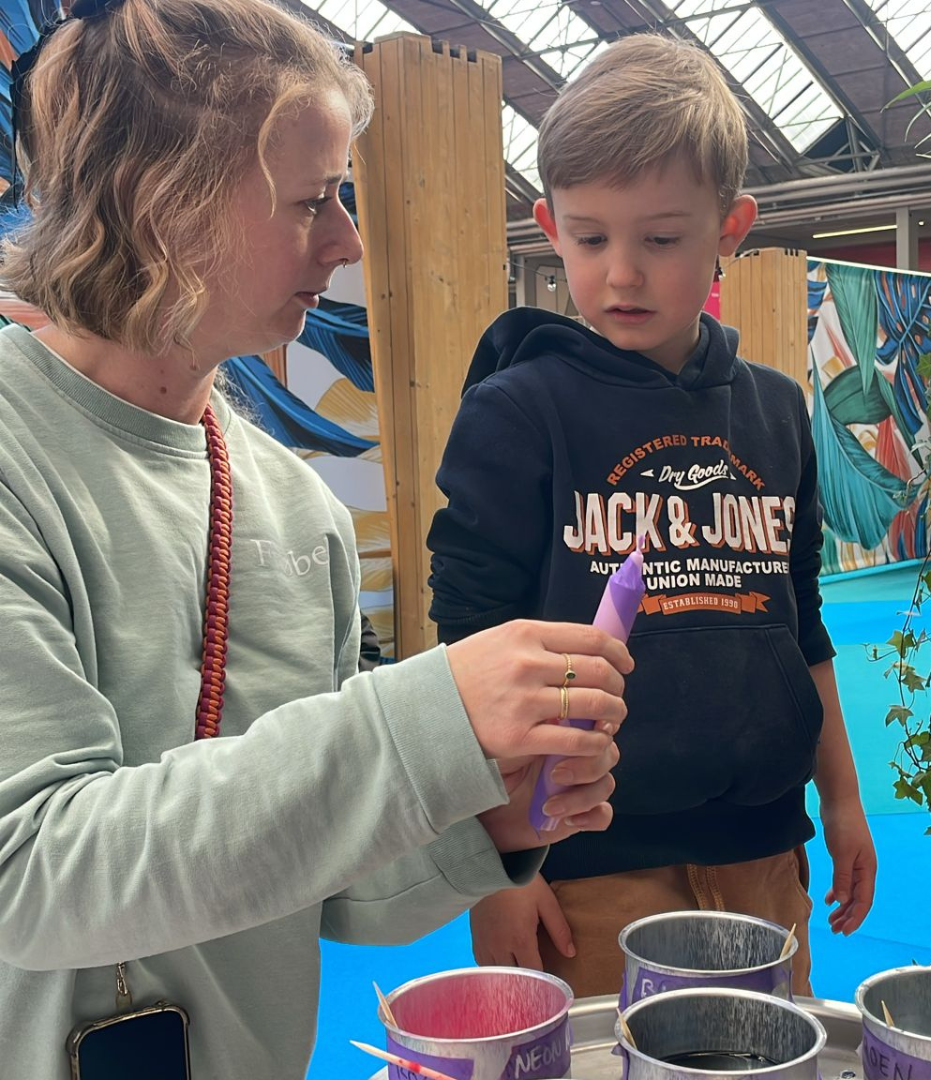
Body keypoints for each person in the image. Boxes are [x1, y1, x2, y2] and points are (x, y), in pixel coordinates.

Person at [0, 2, 634, 1077]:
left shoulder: (293, 509)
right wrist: (420, 721)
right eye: (313, 201)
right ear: (167, 206)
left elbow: (320, 881)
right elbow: (31, 875)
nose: (345, 242)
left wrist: (487, 819)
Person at [428, 32, 877, 999]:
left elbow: (802, 621)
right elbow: (463, 653)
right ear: (550, 226)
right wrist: (496, 866)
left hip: (764, 854)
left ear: (731, 225)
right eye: (591, 238)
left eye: (661, 239)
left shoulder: (774, 409)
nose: (621, 273)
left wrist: (841, 798)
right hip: (584, 865)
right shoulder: (518, 412)